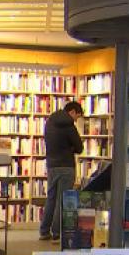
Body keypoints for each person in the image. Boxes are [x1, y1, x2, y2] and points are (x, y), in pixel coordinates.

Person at [39, 101, 84, 241]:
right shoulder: (69, 126)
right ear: (72, 112)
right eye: (77, 116)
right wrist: (70, 148)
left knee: (51, 198)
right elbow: (79, 147)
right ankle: (57, 232)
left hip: (52, 165)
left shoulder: (49, 122)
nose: (76, 120)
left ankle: (44, 230)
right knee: (63, 199)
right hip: (66, 166)